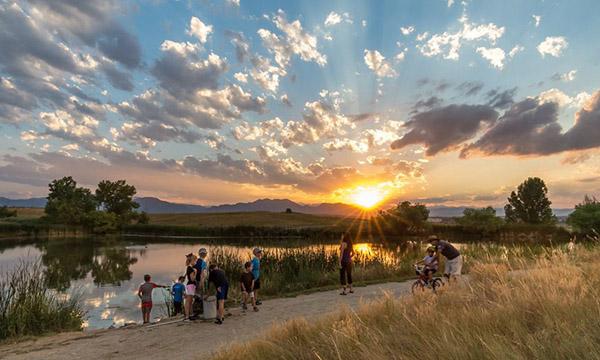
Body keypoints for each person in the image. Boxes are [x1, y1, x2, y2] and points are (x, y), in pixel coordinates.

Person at [184, 253, 198, 321]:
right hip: (191, 285)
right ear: (192, 260)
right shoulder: (191, 268)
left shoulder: (189, 267)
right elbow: (192, 279)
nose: (195, 262)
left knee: (190, 301)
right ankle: (187, 317)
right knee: (188, 301)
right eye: (195, 261)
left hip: (190, 286)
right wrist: (196, 272)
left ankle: (191, 315)